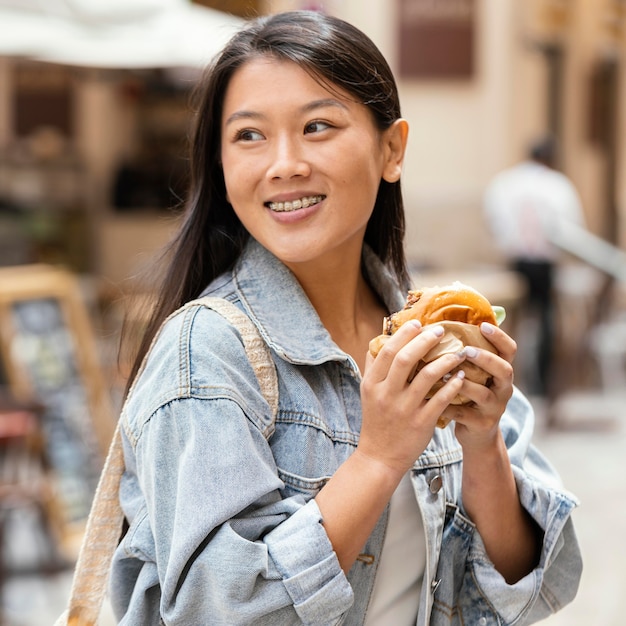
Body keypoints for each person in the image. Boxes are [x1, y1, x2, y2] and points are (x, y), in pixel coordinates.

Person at [109, 11, 582, 625]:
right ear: (222, 169)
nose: (284, 164)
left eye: (317, 126)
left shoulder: (429, 334)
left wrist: (483, 443)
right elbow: (215, 610)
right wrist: (380, 456)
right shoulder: (206, 350)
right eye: (249, 135)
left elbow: (533, 587)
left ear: (392, 149)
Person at [483, 136, 587, 398]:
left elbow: (493, 216)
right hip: (544, 262)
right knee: (545, 322)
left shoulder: (507, 182)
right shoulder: (557, 185)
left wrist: (507, 240)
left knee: (512, 318)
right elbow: (570, 226)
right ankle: (542, 382)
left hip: (517, 259)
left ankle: (508, 377)